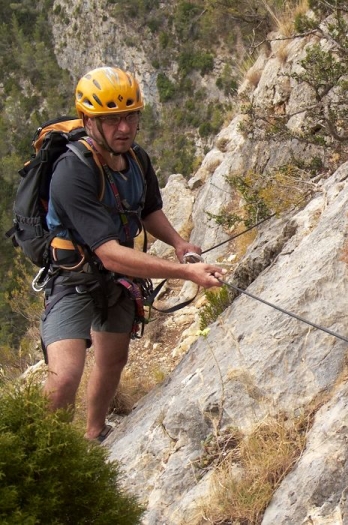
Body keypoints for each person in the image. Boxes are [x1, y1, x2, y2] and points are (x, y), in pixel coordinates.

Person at [41, 66, 224, 441]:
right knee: (63, 379)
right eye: (111, 120)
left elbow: (148, 209)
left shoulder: (137, 159)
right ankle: (47, 458)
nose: (124, 128)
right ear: (88, 121)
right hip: (73, 279)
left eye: (130, 116)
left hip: (118, 279)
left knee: (113, 360)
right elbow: (108, 253)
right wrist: (185, 272)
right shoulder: (72, 172)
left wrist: (179, 243)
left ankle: (95, 433)